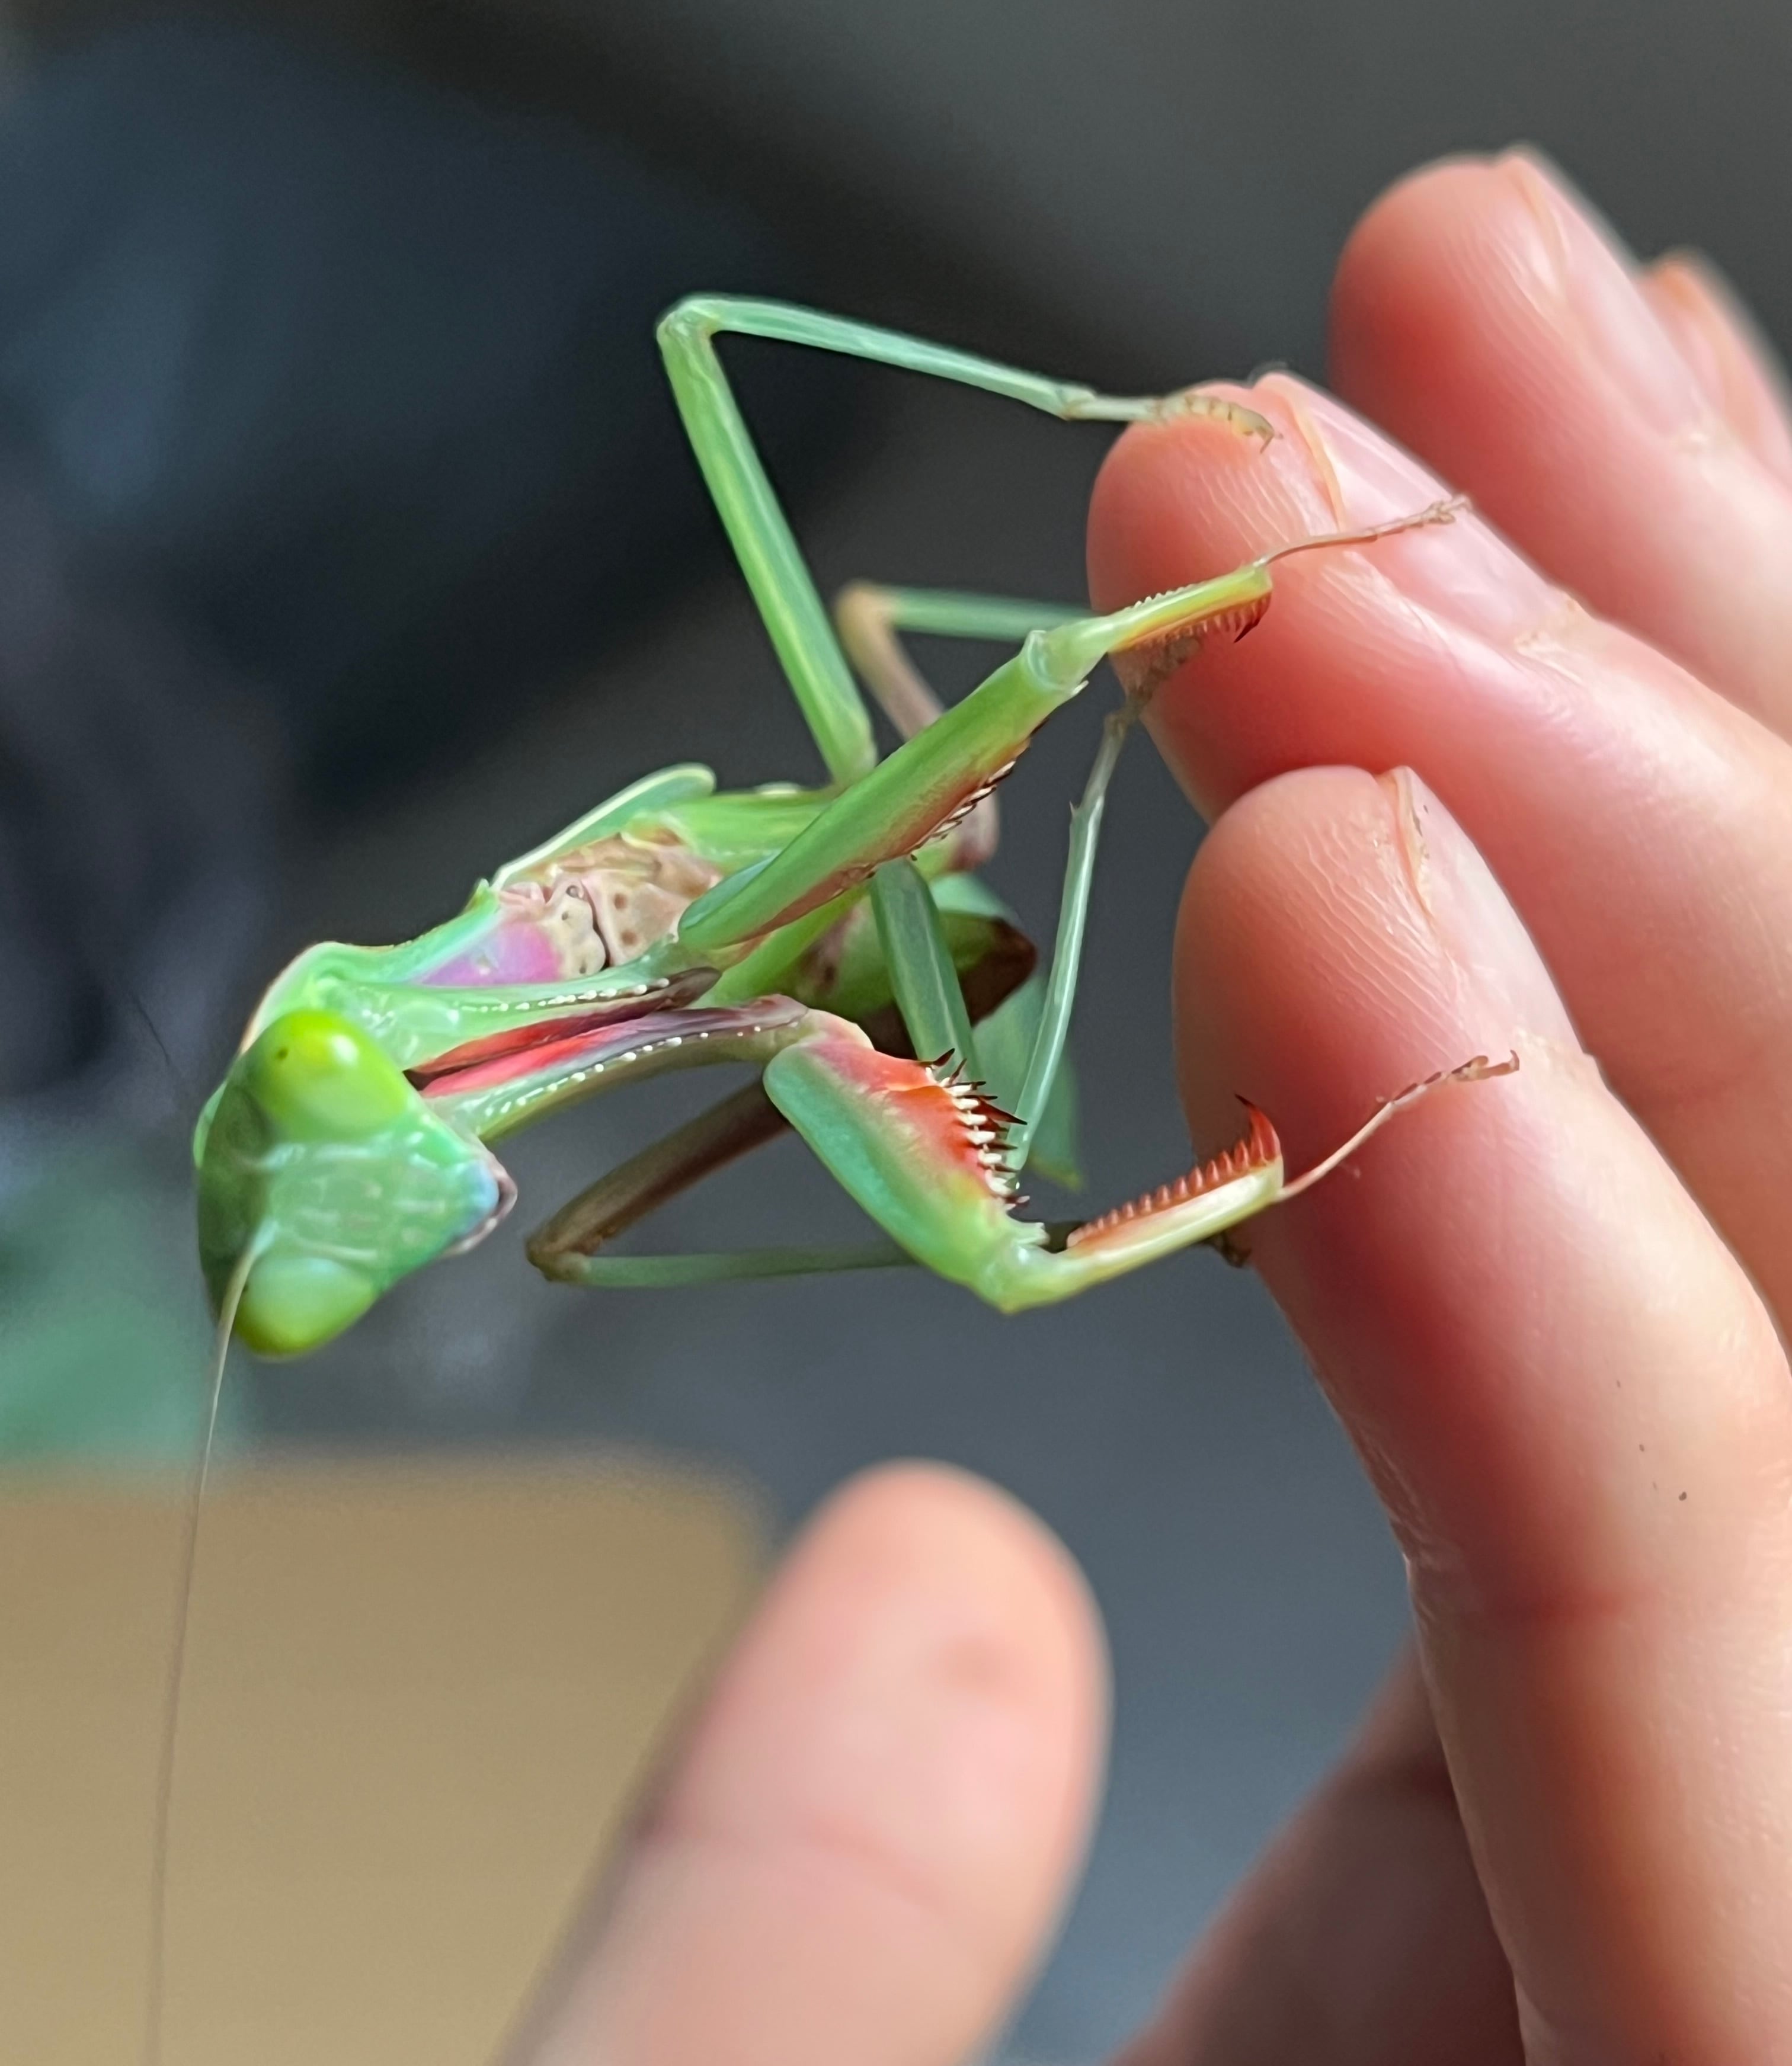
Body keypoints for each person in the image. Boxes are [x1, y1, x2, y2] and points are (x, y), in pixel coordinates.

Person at [505, 152, 1792, 2063]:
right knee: (799, 1168)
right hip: (865, 950)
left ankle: (1117, 687)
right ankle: (1141, 858)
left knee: (811, 489)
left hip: (859, 903)